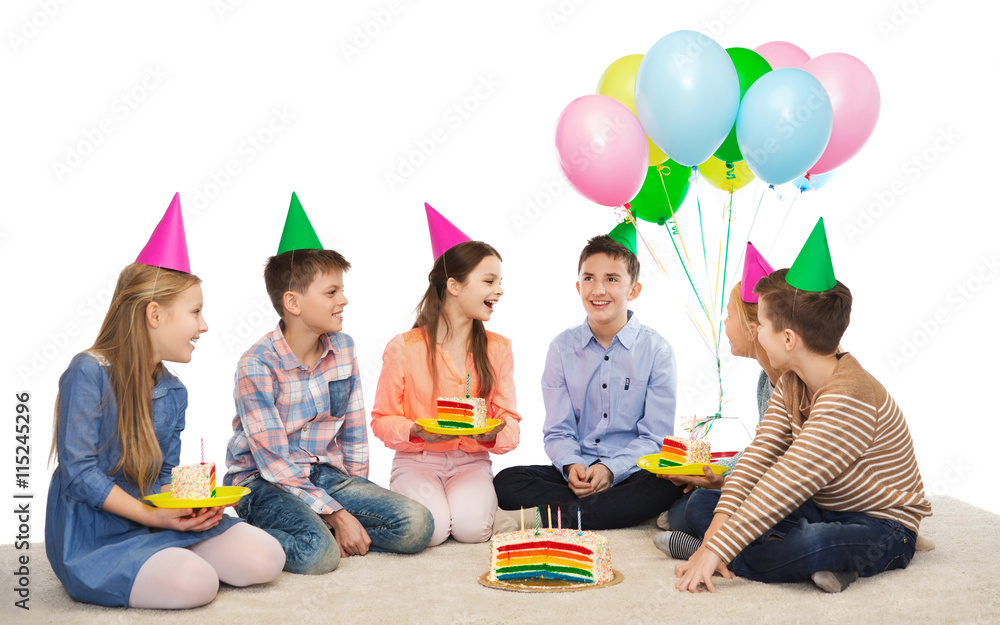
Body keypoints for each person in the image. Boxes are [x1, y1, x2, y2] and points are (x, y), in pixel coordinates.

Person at [45, 194, 284, 609]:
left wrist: (197, 502)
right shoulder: (88, 371)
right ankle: (162, 561)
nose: (204, 326)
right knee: (196, 585)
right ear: (154, 314)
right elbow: (79, 473)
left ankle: (170, 552)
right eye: (195, 312)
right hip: (97, 535)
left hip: (155, 520)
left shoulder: (174, 390)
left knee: (266, 557)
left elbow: (165, 475)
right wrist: (153, 517)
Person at [675, 219, 932, 594]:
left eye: (762, 325)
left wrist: (715, 547)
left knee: (813, 544)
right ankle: (782, 559)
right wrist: (718, 532)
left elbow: (787, 481)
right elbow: (759, 459)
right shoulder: (792, 381)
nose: (758, 334)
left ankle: (741, 554)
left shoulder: (849, 396)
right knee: (703, 506)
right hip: (823, 508)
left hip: (881, 523)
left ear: (789, 338)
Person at [224, 193, 433, 575]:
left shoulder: (343, 348)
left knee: (417, 525)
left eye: (341, 290)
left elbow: (353, 432)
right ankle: (248, 531)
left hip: (326, 476)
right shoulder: (256, 365)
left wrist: (355, 498)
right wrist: (336, 514)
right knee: (318, 554)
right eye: (331, 292)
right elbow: (273, 462)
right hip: (264, 483)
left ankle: (316, 523)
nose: (344, 300)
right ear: (293, 302)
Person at [493, 222, 683, 530]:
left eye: (611, 279)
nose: (598, 290)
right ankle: (611, 509)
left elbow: (654, 438)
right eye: (589, 278)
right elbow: (557, 431)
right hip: (577, 472)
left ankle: (549, 516)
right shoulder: (562, 348)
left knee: (666, 484)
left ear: (633, 290)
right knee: (507, 480)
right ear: (578, 286)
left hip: (630, 471)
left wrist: (610, 469)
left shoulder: (657, 350)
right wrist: (572, 467)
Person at [371, 204, 520, 546]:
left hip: (471, 461)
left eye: (500, 281)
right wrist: (414, 430)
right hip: (417, 462)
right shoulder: (404, 347)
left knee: (471, 531)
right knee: (432, 531)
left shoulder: (498, 348)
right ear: (454, 286)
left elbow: (510, 419)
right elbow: (381, 418)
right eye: (489, 281)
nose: (499, 291)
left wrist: (492, 435)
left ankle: (477, 508)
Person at [654, 244, 783, 558]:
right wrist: (712, 471)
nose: (724, 324)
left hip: (787, 493)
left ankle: (717, 549)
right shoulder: (764, 382)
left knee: (695, 509)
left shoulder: (791, 385)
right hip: (760, 484)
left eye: (728, 316)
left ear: (754, 330)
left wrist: (721, 478)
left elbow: (779, 463)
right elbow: (761, 450)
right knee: (683, 508)